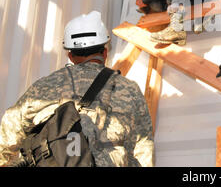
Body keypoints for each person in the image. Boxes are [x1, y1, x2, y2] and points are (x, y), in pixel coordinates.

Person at [0, 11, 154, 167]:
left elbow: (9, 129)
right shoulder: (129, 89)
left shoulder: (44, 87)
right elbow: (143, 147)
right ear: (105, 52)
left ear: (70, 55)